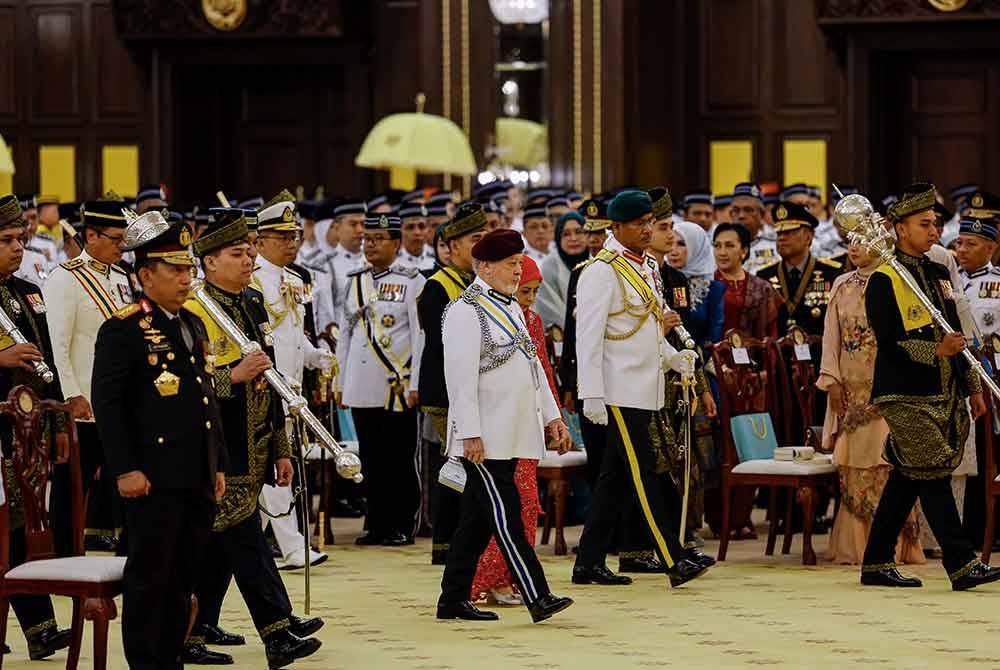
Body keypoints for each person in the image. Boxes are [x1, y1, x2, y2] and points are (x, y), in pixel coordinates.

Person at [182, 209, 323, 668]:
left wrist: (281, 446)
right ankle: (277, 630)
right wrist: (231, 376)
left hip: (257, 438)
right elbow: (186, 385)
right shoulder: (195, 311)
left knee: (223, 545)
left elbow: (270, 378)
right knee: (245, 541)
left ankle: (198, 626)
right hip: (218, 445)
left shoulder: (252, 303)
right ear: (208, 262)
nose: (248, 261)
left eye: (249, 252)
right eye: (237, 254)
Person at [92, 210, 228, 668]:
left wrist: (219, 463)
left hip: (196, 473)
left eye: (189, 268)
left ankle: (170, 658)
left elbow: (206, 399)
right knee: (151, 577)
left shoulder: (192, 324)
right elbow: (108, 407)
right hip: (152, 476)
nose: (186, 278)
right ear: (145, 274)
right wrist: (125, 468)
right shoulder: (123, 329)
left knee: (184, 576)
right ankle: (147, 663)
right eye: (175, 269)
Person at [860, 182, 1000, 590]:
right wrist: (935, 351)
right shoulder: (884, 278)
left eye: (936, 223)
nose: (934, 230)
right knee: (935, 471)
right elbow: (888, 339)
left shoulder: (939, 273)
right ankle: (961, 563)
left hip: (945, 389)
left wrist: (973, 386)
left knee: (908, 477)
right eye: (924, 224)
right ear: (899, 228)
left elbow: (959, 332)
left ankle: (875, 563)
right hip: (904, 392)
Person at [436, 228, 574, 624]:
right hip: (485, 438)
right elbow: (459, 380)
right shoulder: (465, 310)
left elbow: (533, 371)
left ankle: (452, 599)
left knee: (477, 523)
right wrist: (469, 434)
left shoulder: (511, 306)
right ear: (485, 266)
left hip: (514, 431)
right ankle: (538, 595)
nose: (518, 271)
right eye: (511, 264)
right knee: (507, 516)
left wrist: (552, 418)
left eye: (519, 263)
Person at [572, 189, 709, 588]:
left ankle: (588, 562)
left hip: (644, 385)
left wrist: (671, 357)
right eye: (638, 224)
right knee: (644, 473)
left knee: (614, 479)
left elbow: (643, 328)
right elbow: (590, 337)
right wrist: (591, 393)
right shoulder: (602, 271)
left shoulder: (647, 265)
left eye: (651, 222)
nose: (648, 230)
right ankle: (673, 557)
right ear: (616, 227)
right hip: (617, 390)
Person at [818, 240, 924, 565]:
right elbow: (831, 336)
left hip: (891, 390)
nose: (855, 247)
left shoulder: (898, 279)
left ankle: (897, 546)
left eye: (863, 239)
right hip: (852, 393)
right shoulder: (841, 284)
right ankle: (857, 546)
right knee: (856, 464)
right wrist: (831, 379)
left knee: (891, 464)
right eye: (850, 240)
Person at [0, 195, 72, 661]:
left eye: (20, 240)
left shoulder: (27, 291)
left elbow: (50, 360)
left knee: (24, 529)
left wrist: (59, 419)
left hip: (28, 432)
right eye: (6, 241)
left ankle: (41, 629)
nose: (17, 249)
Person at [43, 198, 135, 556]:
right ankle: (64, 555)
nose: (121, 245)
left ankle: (130, 555)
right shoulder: (64, 279)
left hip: (120, 403)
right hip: (84, 405)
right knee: (71, 489)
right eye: (114, 238)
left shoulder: (122, 278)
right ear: (91, 235)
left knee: (129, 483)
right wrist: (71, 396)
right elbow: (57, 346)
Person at [469, 255, 557, 606]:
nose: (530, 298)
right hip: (500, 426)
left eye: (536, 291)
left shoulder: (530, 319)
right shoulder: (484, 314)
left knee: (527, 504)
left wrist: (554, 418)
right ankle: (491, 578)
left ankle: (511, 576)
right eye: (525, 291)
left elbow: (543, 371)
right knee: (509, 505)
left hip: (529, 424)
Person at [252, 191, 333, 570]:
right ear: (260, 241)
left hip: (293, 387)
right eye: (282, 237)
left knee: (281, 467)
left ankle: (253, 545)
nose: (291, 244)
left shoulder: (296, 279)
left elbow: (294, 333)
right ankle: (291, 546)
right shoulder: (252, 282)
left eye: (294, 236)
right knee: (275, 469)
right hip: (266, 385)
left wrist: (317, 355)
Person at [337, 213, 425, 546]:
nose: (370, 245)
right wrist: (340, 382)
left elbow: (420, 335)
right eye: (367, 240)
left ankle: (401, 524)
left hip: (396, 384)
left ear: (396, 244)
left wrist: (416, 382)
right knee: (371, 457)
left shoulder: (412, 280)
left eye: (378, 239)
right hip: (362, 382)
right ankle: (376, 523)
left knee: (399, 458)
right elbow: (346, 333)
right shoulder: (355, 280)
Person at [418, 203, 488, 564]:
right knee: (454, 467)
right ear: (452, 246)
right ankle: (446, 544)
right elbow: (443, 346)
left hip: (478, 390)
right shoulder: (438, 286)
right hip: (446, 392)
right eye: (474, 240)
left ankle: (464, 543)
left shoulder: (476, 284)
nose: (480, 247)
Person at [757, 202, 842, 337]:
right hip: (778, 354)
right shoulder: (764, 276)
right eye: (779, 233)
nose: (782, 238)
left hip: (818, 354)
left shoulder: (832, 274)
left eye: (789, 232)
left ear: (808, 237)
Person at [712, 223, 782, 339]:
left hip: (756, 354)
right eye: (717, 246)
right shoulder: (706, 285)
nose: (722, 252)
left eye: (729, 246)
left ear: (744, 250)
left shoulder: (763, 287)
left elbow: (772, 332)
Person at [668, 221, 725, 346]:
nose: (673, 251)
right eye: (670, 243)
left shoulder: (713, 290)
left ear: (697, 246)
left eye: (681, 244)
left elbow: (714, 334)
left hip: (699, 359)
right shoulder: (659, 280)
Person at [536, 211, 588, 330]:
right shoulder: (549, 266)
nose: (573, 239)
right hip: (564, 339)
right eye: (566, 234)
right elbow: (549, 308)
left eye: (579, 232)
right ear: (558, 238)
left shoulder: (597, 261)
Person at [955, 215, 1000, 338]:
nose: (962, 249)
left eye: (971, 244)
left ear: (990, 248)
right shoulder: (948, 278)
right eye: (959, 243)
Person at [729, 183, 777, 274]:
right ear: (730, 215)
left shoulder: (775, 246)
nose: (741, 216)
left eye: (748, 210)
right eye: (736, 210)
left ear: (761, 215)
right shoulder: (717, 249)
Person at [397, 204, 436, 272]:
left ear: (428, 229)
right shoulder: (393, 262)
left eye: (422, 226)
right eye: (410, 227)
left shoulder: (438, 258)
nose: (417, 232)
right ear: (400, 231)